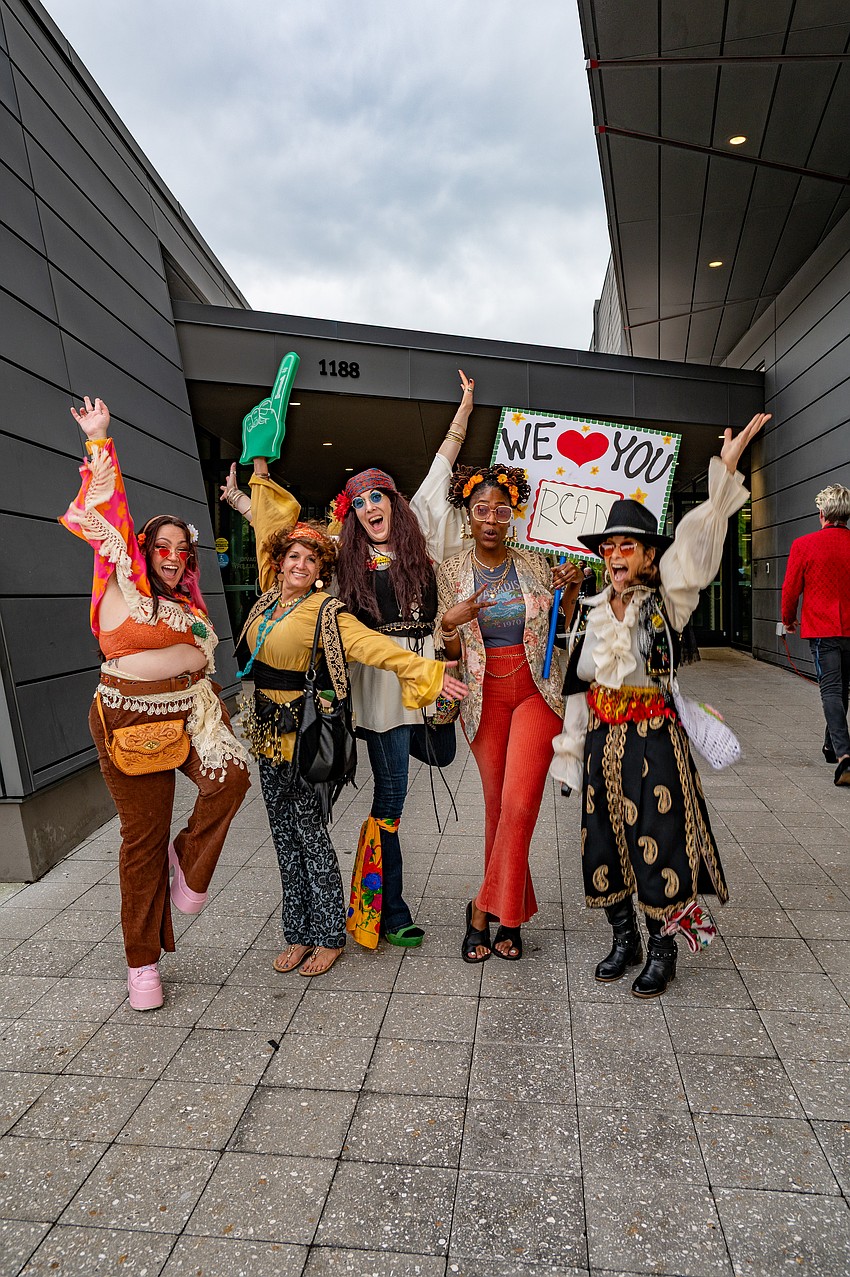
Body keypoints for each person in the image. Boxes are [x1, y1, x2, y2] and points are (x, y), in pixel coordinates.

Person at [223, 370, 473, 948]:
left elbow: (441, 468)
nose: (367, 508)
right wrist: (249, 490)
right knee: (391, 797)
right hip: (382, 685)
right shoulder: (342, 564)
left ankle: (372, 895)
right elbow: (288, 544)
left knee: (433, 763)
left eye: (375, 497)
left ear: (391, 501)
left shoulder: (423, 545)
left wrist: (463, 407)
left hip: (430, 678)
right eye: (357, 502)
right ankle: (386, 907)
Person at [551, 414, 769, 998]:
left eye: (630, 545)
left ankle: (663, 947)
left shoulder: (666, 600)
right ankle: (623, 939)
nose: (618, 554)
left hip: (654, 741)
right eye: (611, 545)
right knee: (602, 840)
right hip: (604, 741)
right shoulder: (591, 611)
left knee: (660, 840)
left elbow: (699, 543)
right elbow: (578, 689)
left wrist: (724, 472)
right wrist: (570, 757)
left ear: (649, 556)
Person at [60, 397, 251, 1012]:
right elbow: (109, 510)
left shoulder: (190, 609)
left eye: (181, 550)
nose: (172, 556)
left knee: (233, 778)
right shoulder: (126, 584)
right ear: (145, 550)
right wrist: (100, 440)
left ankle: (189, 863)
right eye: (161, 546)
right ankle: (141, 963)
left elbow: (201, 666)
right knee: (142, 839)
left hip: (189, 713)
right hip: (127, 718)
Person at [436, 465, 583, 962]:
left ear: (513, 516)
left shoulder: (537, 563)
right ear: (468, 516)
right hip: (482, 696)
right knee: (498, 811)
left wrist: (574, 588)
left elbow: (562, 624)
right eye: (482, 510)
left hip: (537, 691)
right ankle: (511, 913)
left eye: (502, 510)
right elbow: (449, 647)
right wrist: (449, 625)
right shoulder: (451, 571)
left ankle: (481, 909)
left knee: (520, 806)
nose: (492, 519)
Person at [781, 483, 850, 786]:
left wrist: (788, 620)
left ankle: (845, 756)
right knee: (842, 689)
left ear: (822, 513)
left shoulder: (804, 545)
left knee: (831, 690)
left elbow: (790, 590)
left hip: (822, 630)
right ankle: (831, 745)